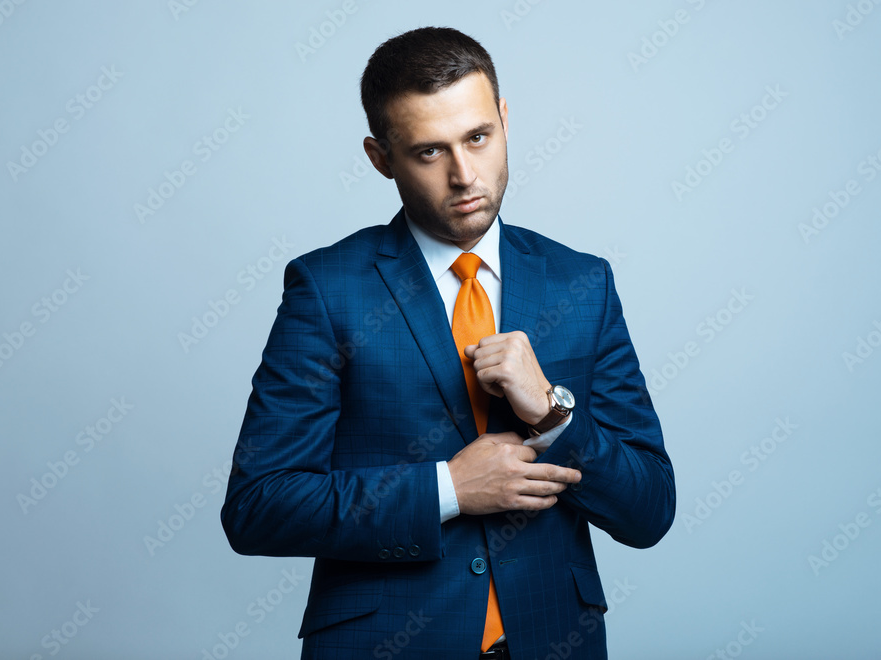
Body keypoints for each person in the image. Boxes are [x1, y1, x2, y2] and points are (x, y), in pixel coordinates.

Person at [221, 26, 675, 660]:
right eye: (430, 152)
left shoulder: (582, 282)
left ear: (505, 119)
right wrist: (448, 490)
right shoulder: (328, 289)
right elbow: (257, 506)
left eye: (478, 138)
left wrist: (552, 412)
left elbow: (649, 509)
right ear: (381, 158)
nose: (465, 175)